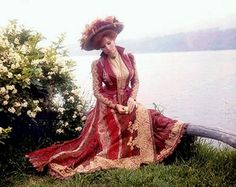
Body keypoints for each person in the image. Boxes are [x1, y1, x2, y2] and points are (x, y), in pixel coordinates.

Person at [25, 16, 187, 179]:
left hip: (128, 101)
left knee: (150, 116)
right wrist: (115, 106)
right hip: (108, 107)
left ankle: (160, 144)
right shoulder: (97, 64)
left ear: (114, 39)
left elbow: (136, 81)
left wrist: (131, 99)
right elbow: (97, 91)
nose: (107, 48)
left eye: (109, 43)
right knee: (106, 141)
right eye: (103, 46)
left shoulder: (129, 57)